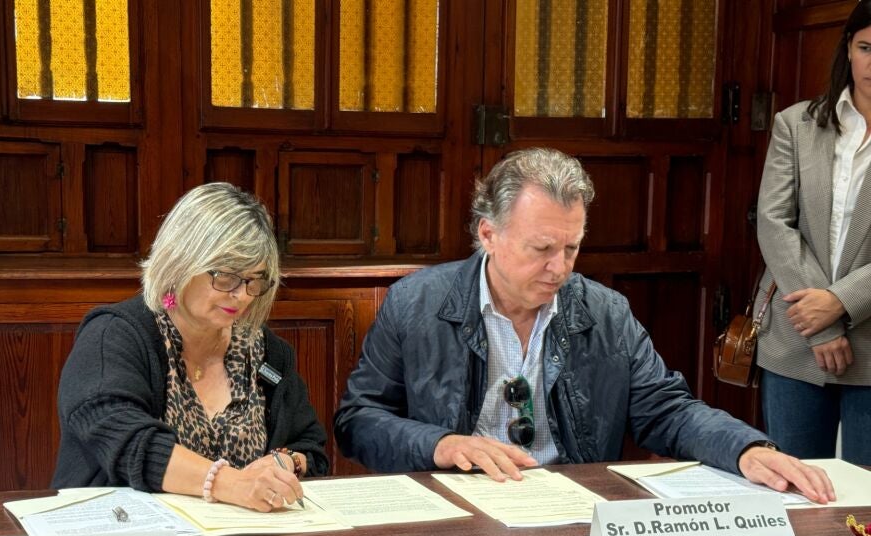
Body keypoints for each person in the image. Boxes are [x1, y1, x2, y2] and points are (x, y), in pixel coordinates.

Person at [334, 147, 835, 504]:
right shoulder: (416, 303)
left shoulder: (604, 312)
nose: (561, 267)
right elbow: (358, 422)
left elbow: (666, 410)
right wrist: (441, 445)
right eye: (542, 249)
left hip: (573, 509)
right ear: (488, 233)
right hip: (454, 509)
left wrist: (743, 448)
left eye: (571, 247)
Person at [53, 182, 328, 511]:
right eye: (225, 276)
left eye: (254, 280)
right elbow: (127, 441)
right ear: (180, 263)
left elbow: (311, 448)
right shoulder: (114, 336)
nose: (241, 295)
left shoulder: (267, 352)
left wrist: (286, 465)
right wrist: (231, 483)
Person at [755, 0, 871, 465]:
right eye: (866, 47)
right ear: (848, 48)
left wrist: (840, 303)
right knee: (794, 492)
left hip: (868, 340)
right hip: (795, 335)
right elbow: (773, 222)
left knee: (866, 507)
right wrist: (819, 325)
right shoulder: (796, 123)